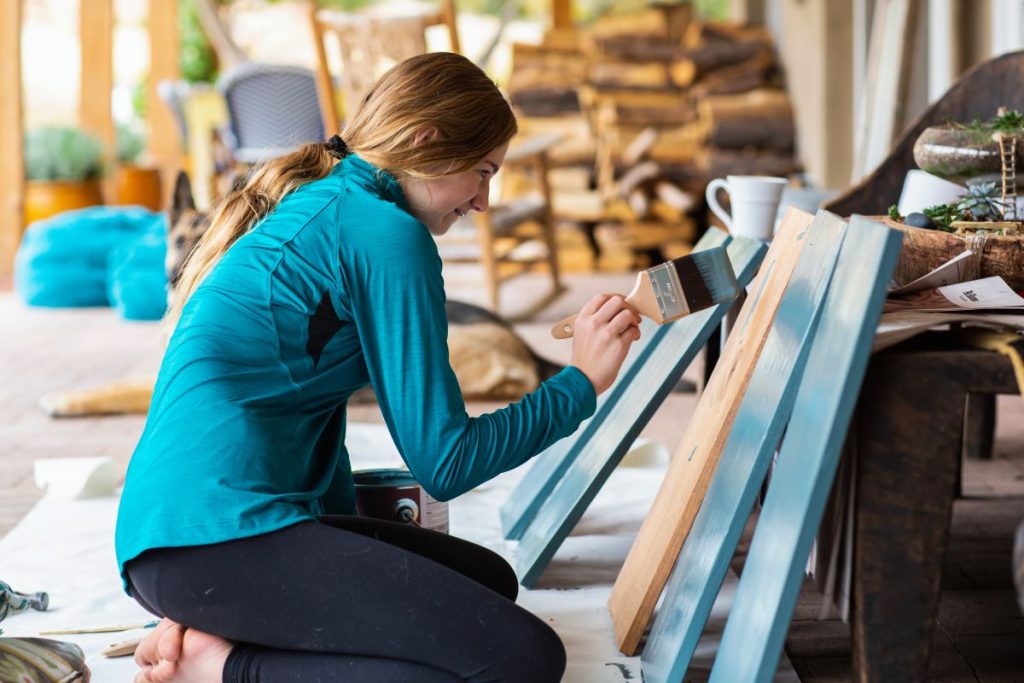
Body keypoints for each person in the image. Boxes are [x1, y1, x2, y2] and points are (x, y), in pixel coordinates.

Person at [116, 52, 641, 683]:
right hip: (210, 540)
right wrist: (580, 384)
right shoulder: (385, 233)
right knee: (522, 659)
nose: (483, 200)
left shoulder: (332, 199)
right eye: (481, 172)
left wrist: (345, 552)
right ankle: (223, 663)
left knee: (488, 580)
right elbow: (447, 463)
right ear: (427, 141)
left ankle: (214, 623)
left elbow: (316, 413)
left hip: (185, 534)